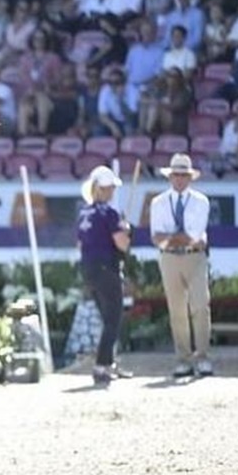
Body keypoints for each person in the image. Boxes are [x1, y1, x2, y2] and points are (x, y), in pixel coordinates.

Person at [148, 154, 213, 378]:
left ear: (190, 178)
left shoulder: (201, 201)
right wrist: (180, 239)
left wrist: (171, 238)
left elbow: (194, 236)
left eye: (183, 175)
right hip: (169, 258)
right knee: (176, 310)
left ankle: (202, 357)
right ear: (170, 177)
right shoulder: (158, 202)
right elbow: (156, 237)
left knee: (200, 306)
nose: (179, 179)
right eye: (176, 174)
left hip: (194, 257)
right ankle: (183, 359)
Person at [76, 165, 133, 386]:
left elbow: (80, 244)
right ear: (101, 189)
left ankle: (109, 363)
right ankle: (101, 366)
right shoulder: (110, 213)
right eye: (110, 188)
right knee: (113, 319)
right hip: (106, 269)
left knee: (107, 318)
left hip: (88, 269)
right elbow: (122, 244)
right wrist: (127, 230)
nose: (112, 192)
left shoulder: (83, 213)